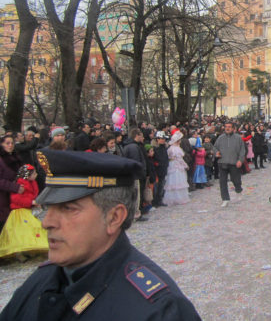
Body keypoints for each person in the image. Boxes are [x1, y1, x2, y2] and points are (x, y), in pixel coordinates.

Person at [0, 149, 202, 320]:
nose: (47, 222)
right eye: (48, 207)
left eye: (68, 208)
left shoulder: (160, 310)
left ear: (114, 217)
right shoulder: (41, 281)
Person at [0, 164, 48, 260]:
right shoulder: (20, 185)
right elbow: (16, 199)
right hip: (19, 212)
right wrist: (31, 202)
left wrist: (34, 202)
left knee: (31, 230)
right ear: (28, 175)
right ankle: (21, 252)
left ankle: (31, 249)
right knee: (22, 232)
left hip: (27, 209)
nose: (36, 174)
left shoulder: (31, 183)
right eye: (34, 173)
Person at [213, 121, 246, 208]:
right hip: (222, 162)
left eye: (229, 127)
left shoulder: (238, 138)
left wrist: (240, 160)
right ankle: (225, 199)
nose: (227, 128)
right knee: (222, 182)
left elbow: (243, 150)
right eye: (226, 126)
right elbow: (215, 147)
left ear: (233, 128)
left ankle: (238, 190)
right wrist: (216, 153)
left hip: (234, 163)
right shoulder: (220, 138)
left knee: (236, 180)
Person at [122, 128, 149, 221]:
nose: (143, 137)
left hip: (132, 174)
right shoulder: (133, 147)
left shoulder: (129, 146)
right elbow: (136, 162)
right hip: (135, 175)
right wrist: (141, 172)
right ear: (137, 136)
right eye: (141, 135)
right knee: (136, 195)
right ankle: (136, 214)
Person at [0, 135, 24, 231]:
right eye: (7, 143)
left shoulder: (16, 158)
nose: (10, 145)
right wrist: (14, 187)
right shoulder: (1, 160)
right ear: (2, 145)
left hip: (15, 198)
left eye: (12, 143)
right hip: (3, 199)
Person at [163, 131, 190, 205]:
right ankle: (179, 197)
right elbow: (180, 159)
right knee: (178, 180)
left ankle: (173, 197)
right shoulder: (177, 149)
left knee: (172, 181)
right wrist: (185, 165)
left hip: (171, 165)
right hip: (177, 165)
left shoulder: (170, 148)